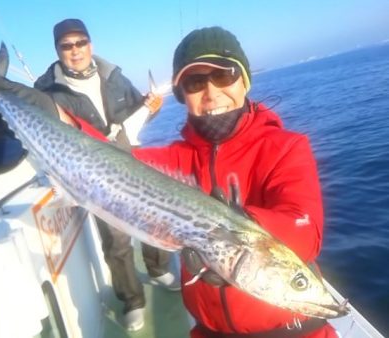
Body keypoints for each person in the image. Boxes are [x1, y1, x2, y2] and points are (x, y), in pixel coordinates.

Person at [132, 26, 339, 337]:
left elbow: (306, 232)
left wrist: (234, 231)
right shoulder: (174, 159)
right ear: (182, 96)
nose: (212, 92)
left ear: (244, 81)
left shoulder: (285, 147)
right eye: (195, 82)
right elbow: (109, 162)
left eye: (224, 75)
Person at [33, 18, 179, 332]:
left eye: (80, 43)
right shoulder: (47, 91)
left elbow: (135, 114)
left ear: (91, 44)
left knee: (155, 217)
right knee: (116, 239)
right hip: (95, 173)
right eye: (66, 46)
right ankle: (132, 300)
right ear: (57, 51)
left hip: (134, 162)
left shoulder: (114, 76)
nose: (75, 51)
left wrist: (151, 107)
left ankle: (157, 269)